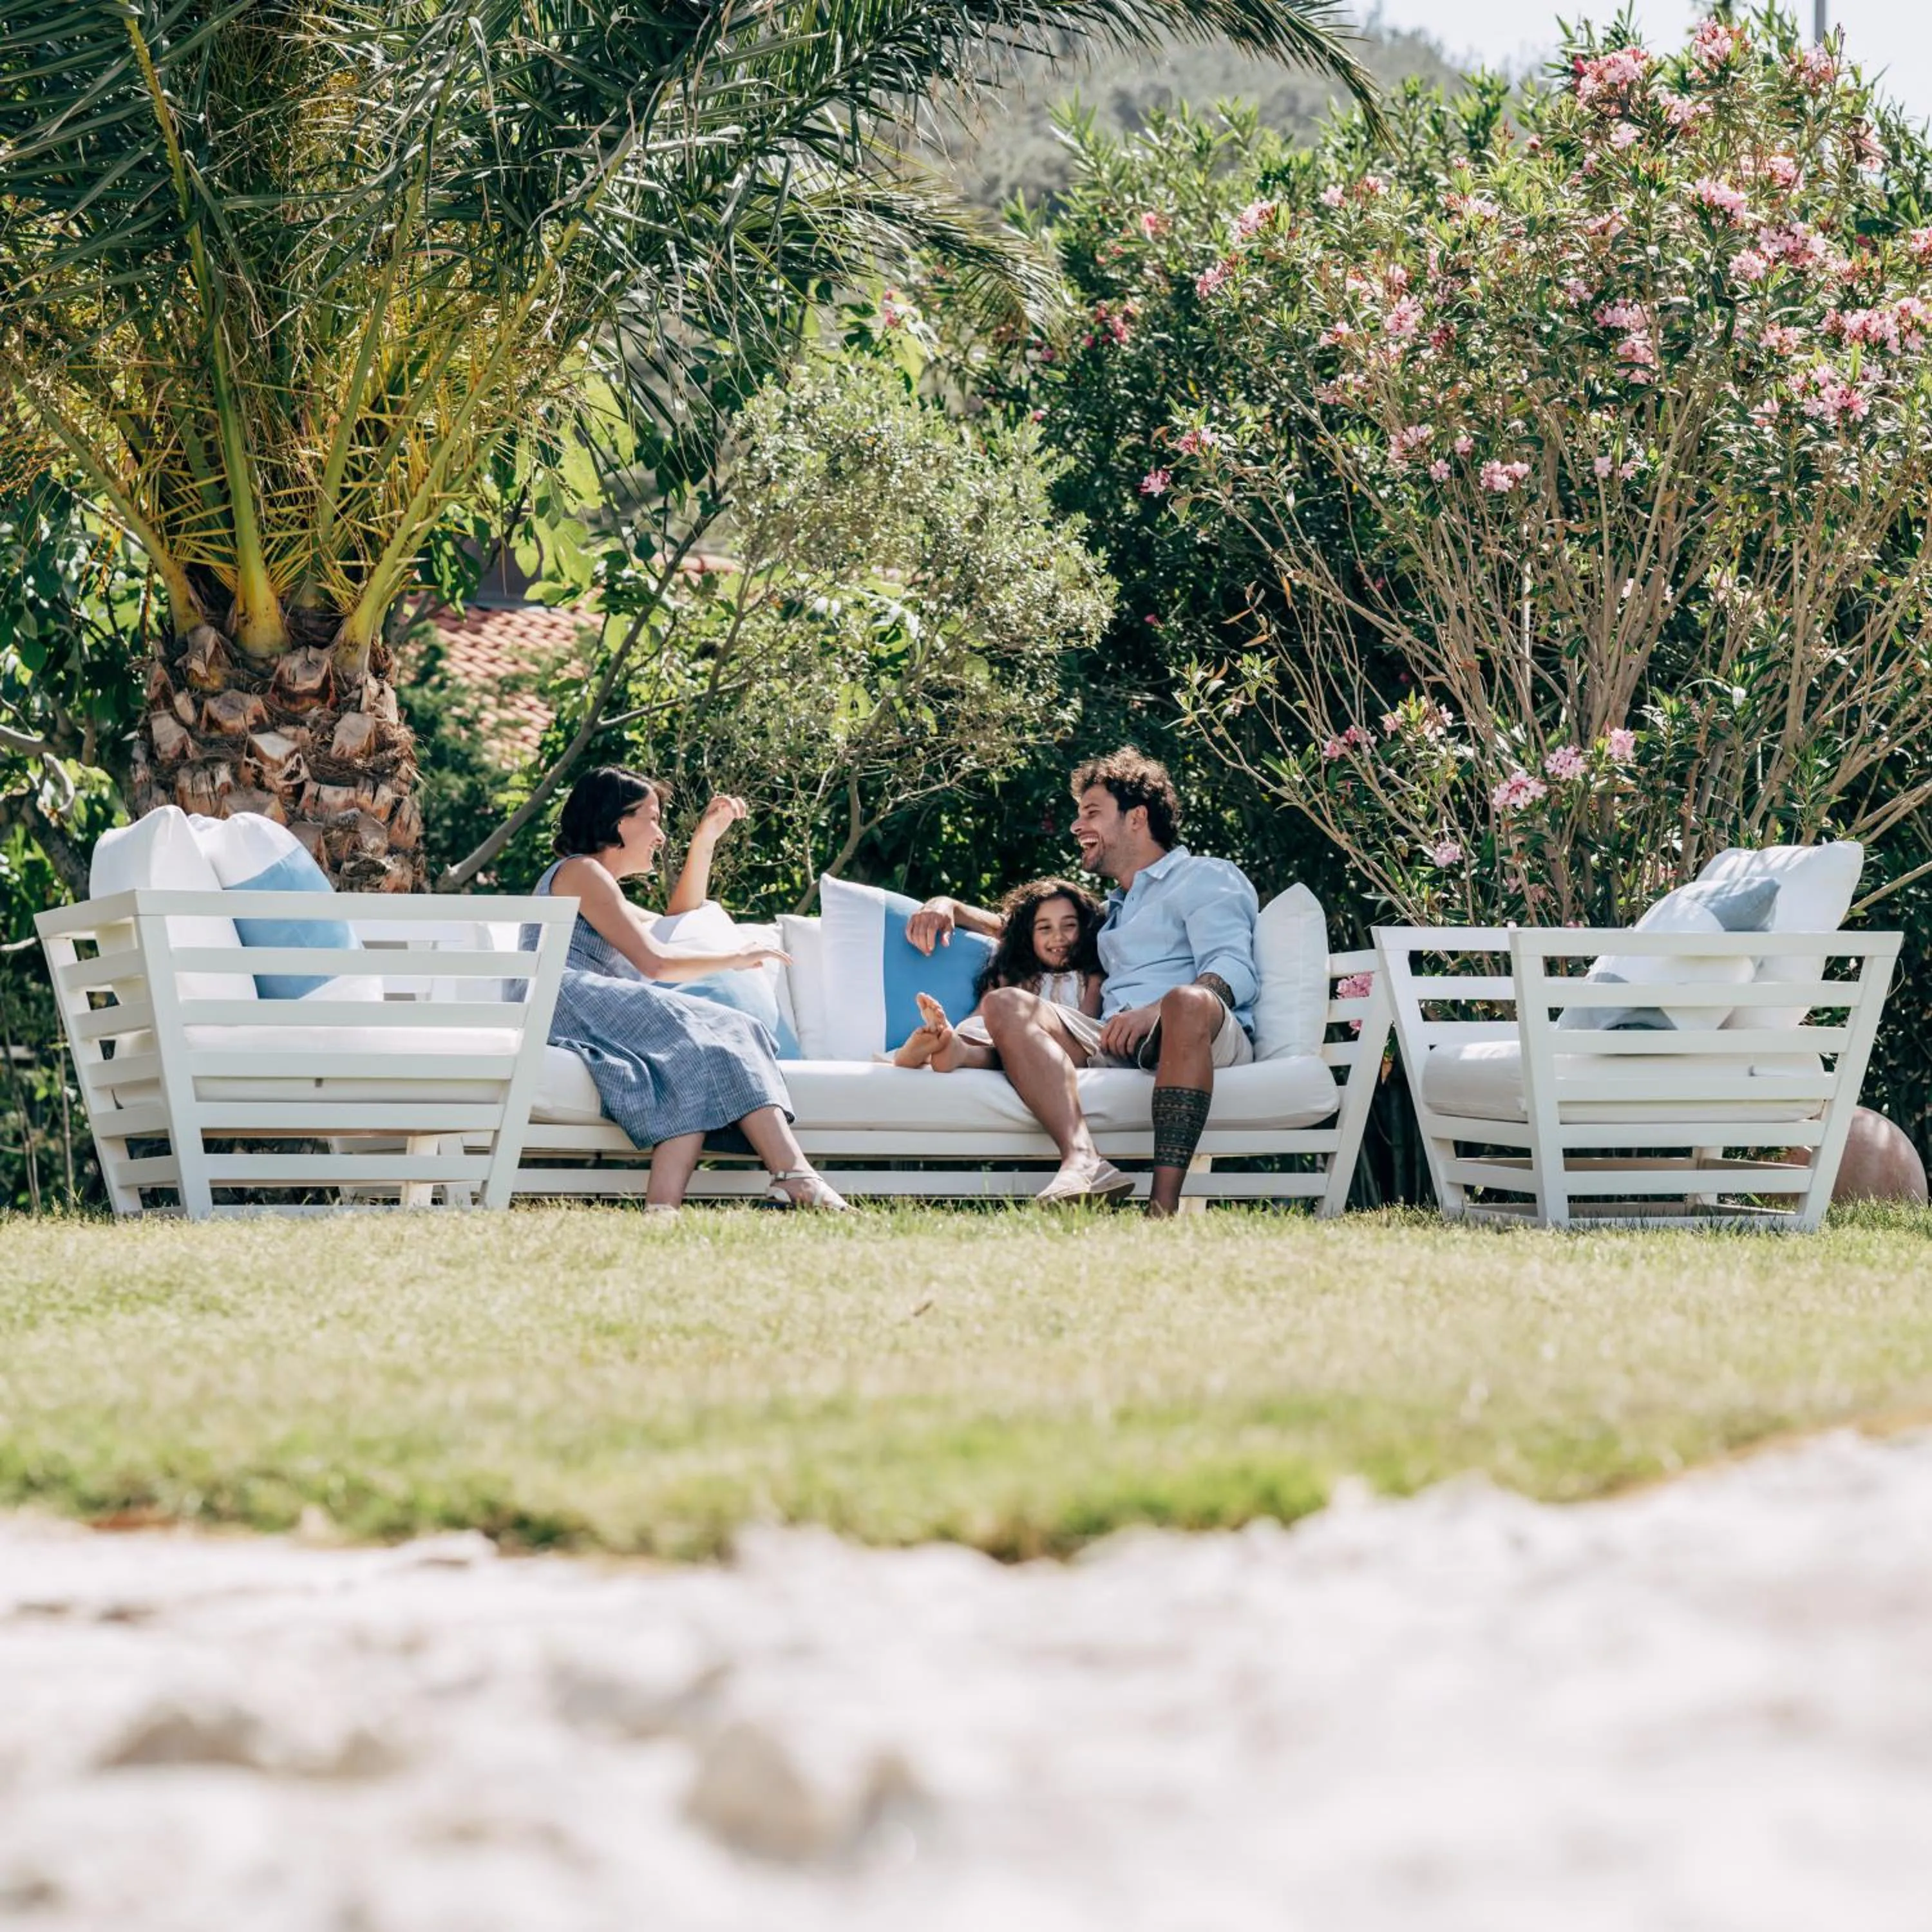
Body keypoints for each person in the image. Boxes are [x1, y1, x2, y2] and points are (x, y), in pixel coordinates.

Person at [907, 749, 1258, 1217]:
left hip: (1201, 1031)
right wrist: (950, 905)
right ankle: (1084, 1161)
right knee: (1007, 1005)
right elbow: (1034, 930)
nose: (1076, 825)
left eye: (1092, 812)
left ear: (1137, 818)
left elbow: (1232, 968)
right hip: (1118, 1036)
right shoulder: (1114, 910)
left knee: (1186, 1001)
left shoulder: (1203, 877)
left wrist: (1156, 1009)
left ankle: (1163, 1208)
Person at [533, 766, 848, 1212]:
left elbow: (675, 923)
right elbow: (655, 961)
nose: (660, 835)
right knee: (728, 1025)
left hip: (569, 1003)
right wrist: (736, 959)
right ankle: (795, 1176)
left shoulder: (594, 884)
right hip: (562, 998)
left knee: (692, 1060)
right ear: (620, 823)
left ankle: (663, 1210)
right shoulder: (583, 872)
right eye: (653, 818)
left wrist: (706, 841)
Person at [892, 877, 1104, 1072]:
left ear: (1084, 928)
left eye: (1069, 925)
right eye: (1044, 928)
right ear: (1028, 936)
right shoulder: (1016, 974)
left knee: (1015, 1046)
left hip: (1046, 1043)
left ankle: (952, 1051)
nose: (1058, 936)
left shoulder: (1090, 978)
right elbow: (979, 1017)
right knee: (978, 1030)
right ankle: (936, 1043)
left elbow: (1084, 1029)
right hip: (989, 1035)